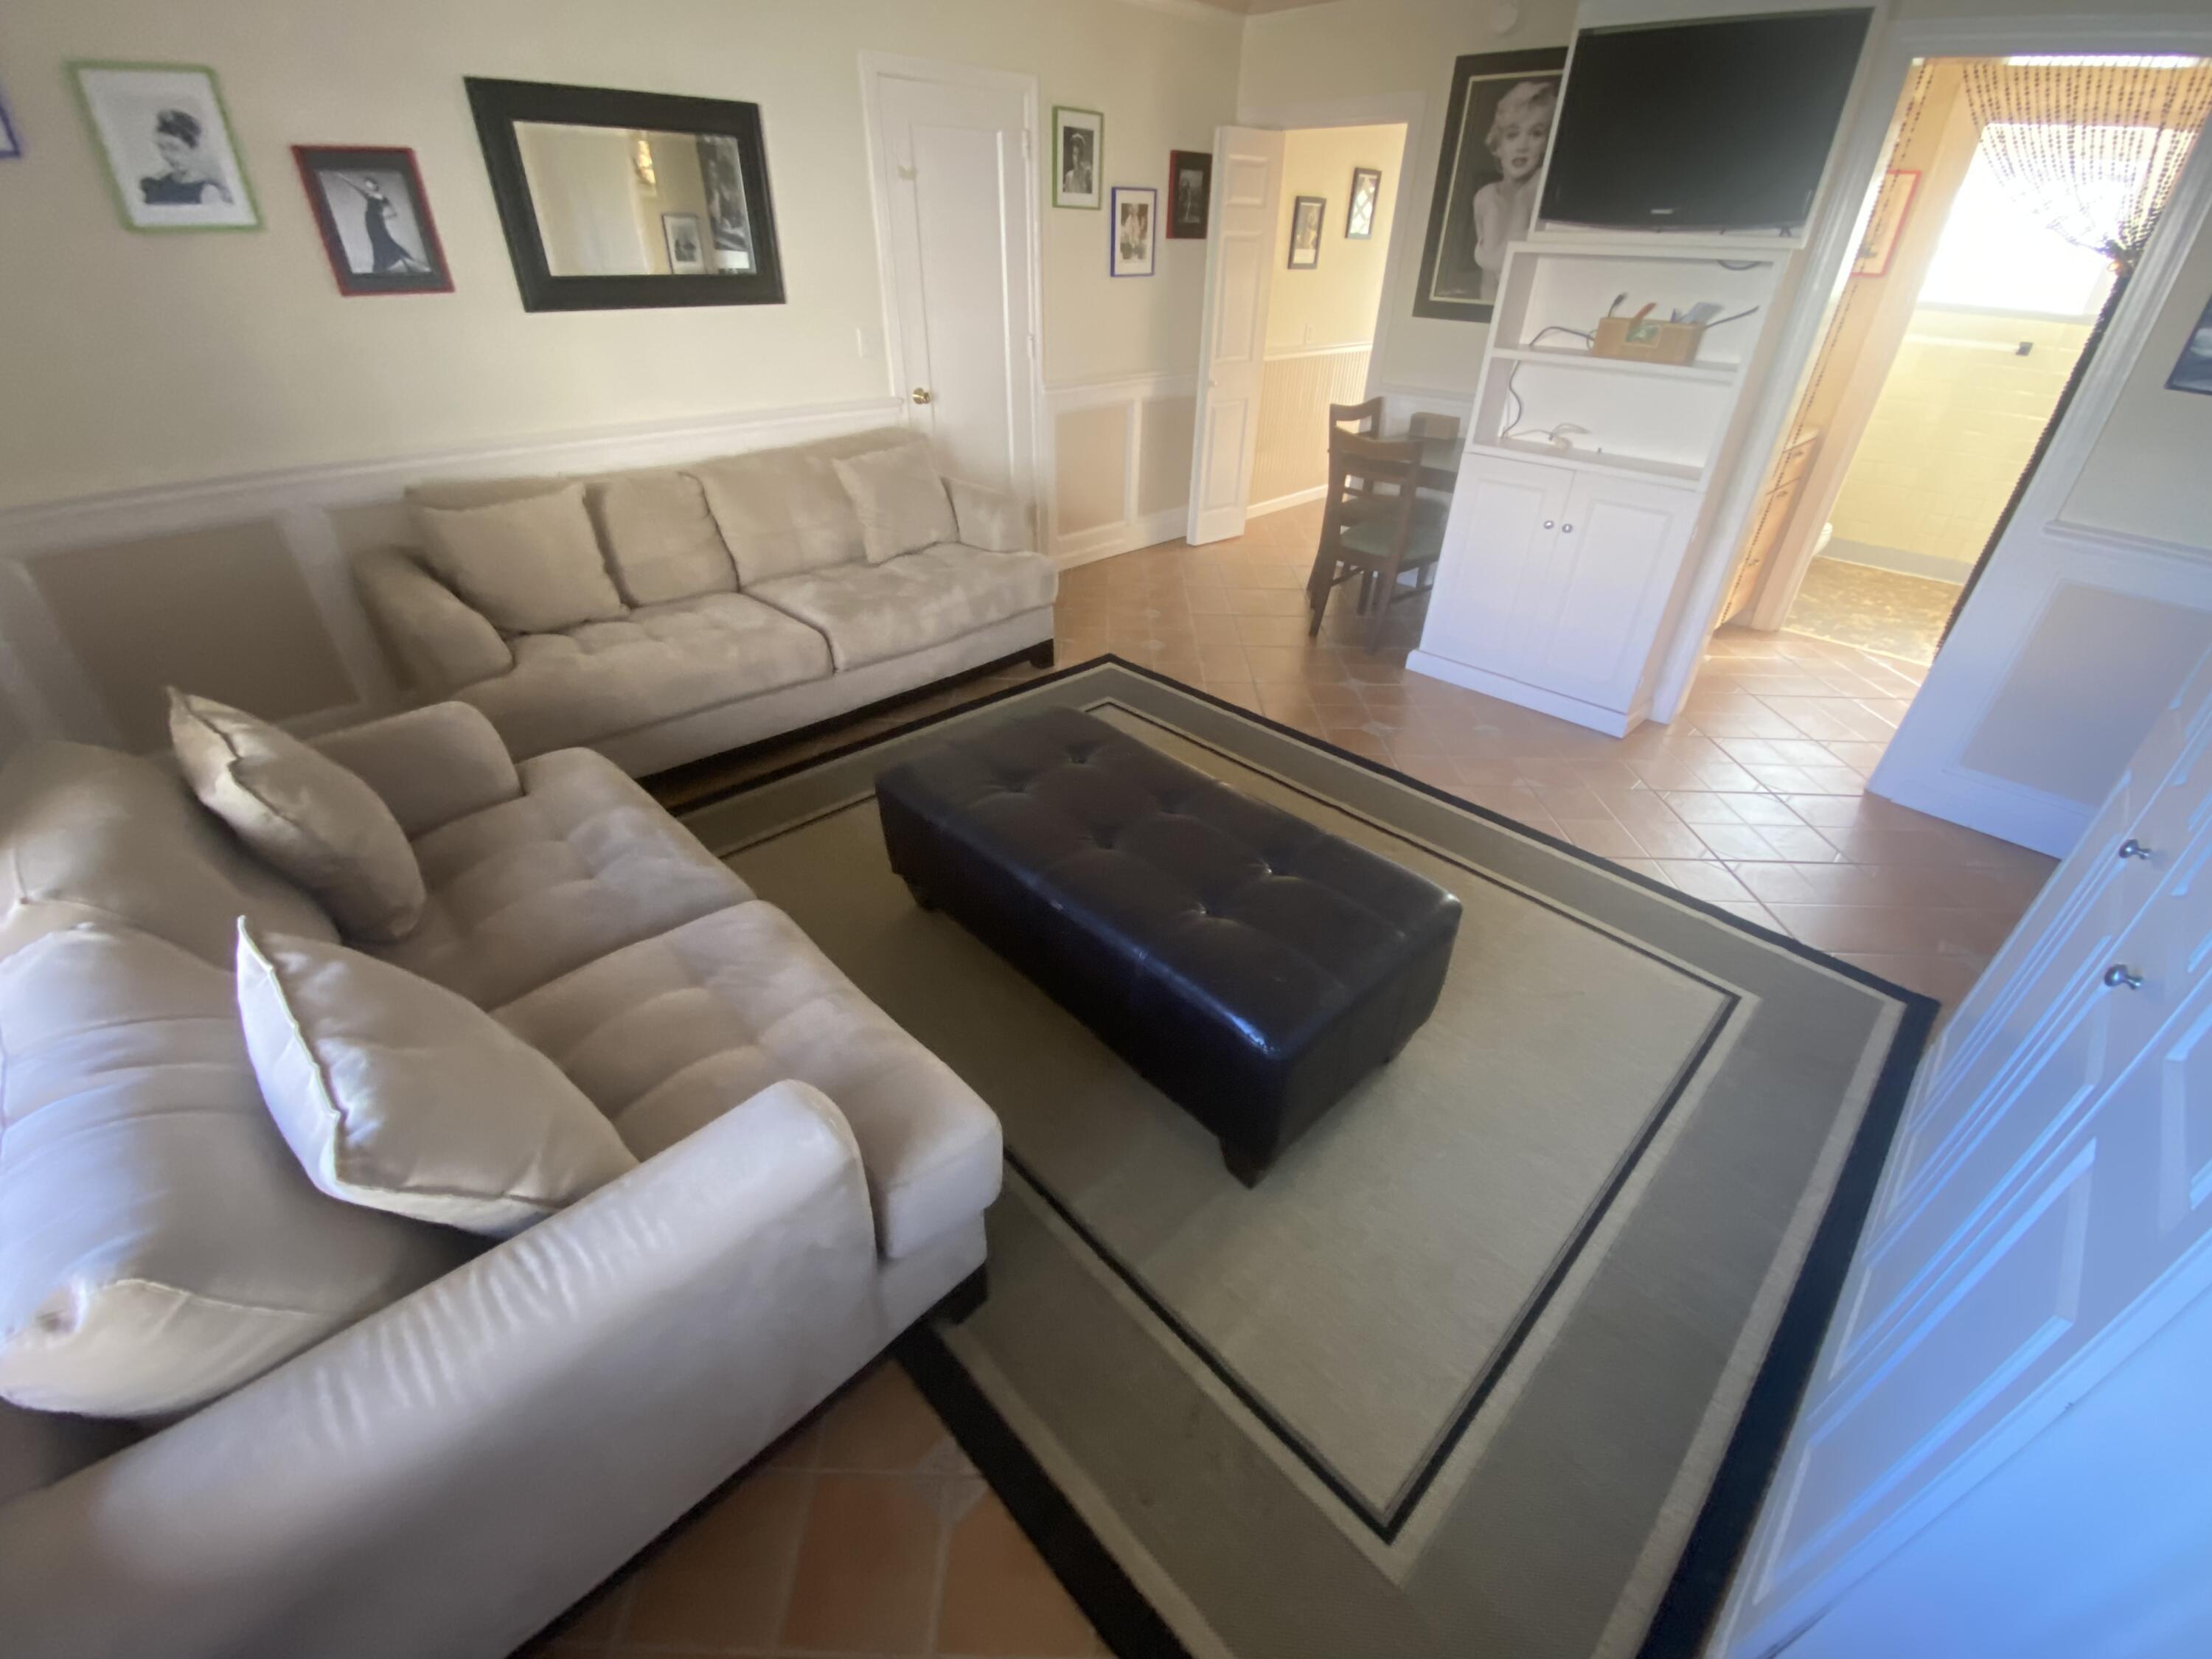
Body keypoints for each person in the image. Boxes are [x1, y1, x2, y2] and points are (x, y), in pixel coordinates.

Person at [1469, 79, 1556, 302]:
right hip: (1488, 319)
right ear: (1498, 145)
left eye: (1536, 133)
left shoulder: (1544, 195)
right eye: (1512, 134)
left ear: (1547, 143)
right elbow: (1487, 280)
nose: (1523, 146)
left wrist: (1524, 200)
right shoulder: (1485, 198)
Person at [327, 173, 428, 274]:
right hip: (369, 220)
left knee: (384, 239)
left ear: (375, 185)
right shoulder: (368, 195)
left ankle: (404, 260)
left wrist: (383, 218)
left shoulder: (382, 197)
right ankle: (383, 265)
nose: (369, 186)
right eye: (367, 185)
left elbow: (393, 213)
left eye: (370, 184)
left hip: (377, 219)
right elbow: (355, 187)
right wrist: (343, 177)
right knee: (376, 241)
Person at [139, 108, 232, 206]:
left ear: (194, 148)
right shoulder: (157, 185)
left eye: (174, 148)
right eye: (162, 148)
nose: (166, 155)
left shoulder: (207, 191)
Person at [1062, 129, 1092, 198]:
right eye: (1075, 154)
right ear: (1072, 156)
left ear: (1082, 155)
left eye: (1080, 154)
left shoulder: (1087, 174)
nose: (1077, 159)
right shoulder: (1069, 177)